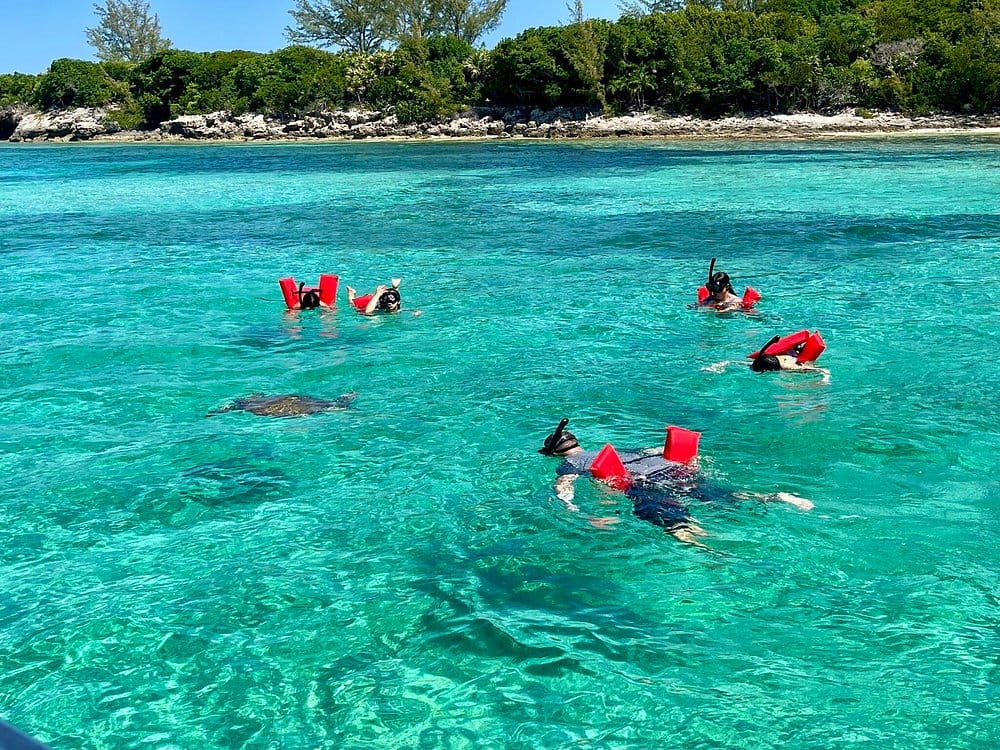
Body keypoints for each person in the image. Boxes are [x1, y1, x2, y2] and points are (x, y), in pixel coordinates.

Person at [539, 418, 813, 548]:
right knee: (724, 495)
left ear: (553, 454)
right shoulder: (618, 450)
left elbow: (564, 488)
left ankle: (708, 549)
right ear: (577, 442)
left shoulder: (570, 464)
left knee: (672, 522)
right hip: (671, 468)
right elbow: (654, 450)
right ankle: (773, 497)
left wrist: (576, 512)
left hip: (645, 483)